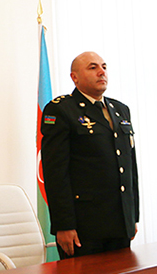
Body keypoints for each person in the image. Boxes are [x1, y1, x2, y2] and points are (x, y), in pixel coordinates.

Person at [41, 51, 139, 259]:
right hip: (84, 226)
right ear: (74, 77)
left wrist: (132, 216)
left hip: (119, 222)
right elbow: (55, 173)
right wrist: (63, 224)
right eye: (93, 67)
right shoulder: (61, 110)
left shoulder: (120, 110)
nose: (101, 72)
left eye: (104, 67)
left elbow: (130, 166)